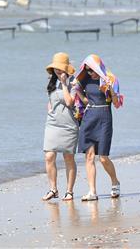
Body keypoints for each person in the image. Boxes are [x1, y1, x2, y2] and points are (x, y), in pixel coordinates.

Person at [75, 54, 121, 201]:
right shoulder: (84, 80)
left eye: (92, 70)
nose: (90, 73)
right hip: (89, 118)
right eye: (87, 70)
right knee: (89, 157)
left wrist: (111, 90)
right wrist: (77, 93)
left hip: (104, 117)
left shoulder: (110, 79)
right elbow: (85, 100)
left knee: (103, 157)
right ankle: (92, 192)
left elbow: (116, 103)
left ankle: (115, 181)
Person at [42, 52, 79, 201]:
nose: (57, 70)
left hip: (69, 124)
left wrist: (64, 83)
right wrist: (50, 108)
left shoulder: (74, 82)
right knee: (49, 156)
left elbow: (70, 102)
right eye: (55, 68)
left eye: (60, 68)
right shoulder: (51, 82)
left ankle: (69, 191)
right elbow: (50, 99)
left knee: (68, 157)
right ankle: (53, 189)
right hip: (52, 123)